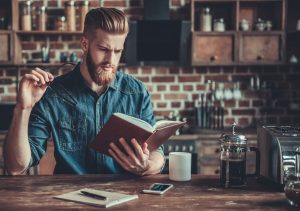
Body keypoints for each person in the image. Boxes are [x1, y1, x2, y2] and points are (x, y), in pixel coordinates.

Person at [4, 8, 165, 175]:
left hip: (123, 195)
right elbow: (16, 166)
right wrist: (23, 108)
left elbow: (156, 151)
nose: (110, 60)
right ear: (85, 44)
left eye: (117, 51)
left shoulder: (137, 92)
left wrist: (147, 166)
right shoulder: (52, 93)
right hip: (69, 196)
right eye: (103, 49)